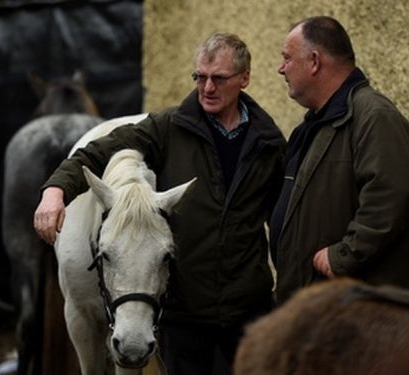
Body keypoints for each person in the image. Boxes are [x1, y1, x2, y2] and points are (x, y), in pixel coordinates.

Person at [34, 32, 286, 374]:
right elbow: (98, 151)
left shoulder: (269, 143)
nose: (207, 88)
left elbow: (282, 220)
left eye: (219, 79)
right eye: (200, 77)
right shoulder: (169, 127)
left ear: (244, 79)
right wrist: (55, 190)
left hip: (247, 309)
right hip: (187, 313)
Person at [269, 16, 409, 304]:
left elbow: (392, 196)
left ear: (314, 61)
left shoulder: (374, 117)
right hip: (317, 311)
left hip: (360, 314)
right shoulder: (311, 128)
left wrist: (342, 256)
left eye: (287, 58)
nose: (281, 68)